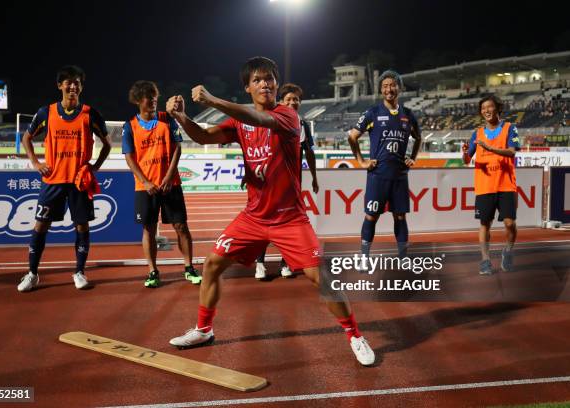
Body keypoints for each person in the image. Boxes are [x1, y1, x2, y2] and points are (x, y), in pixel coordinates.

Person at [165, 56, 374, 365]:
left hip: (289, 218)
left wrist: (210, 99)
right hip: (253, 217)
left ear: (276, 84)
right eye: (258, 80)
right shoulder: (238, 122)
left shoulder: (288, 115)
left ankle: (355, 335)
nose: (265, 83)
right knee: (211, 265)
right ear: (248, 88)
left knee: (322, 277)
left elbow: (259, 120)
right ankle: (204, 329)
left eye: (269, 79)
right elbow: (204, 136)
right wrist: (182, 118)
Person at [17, 65, 112, 292]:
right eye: (68, 82)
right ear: (60, 86)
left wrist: (94, 167)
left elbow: (107, 144)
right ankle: (32, 274)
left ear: (81, 87)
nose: (72, 86)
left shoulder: (91, 114)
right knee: (40, 226)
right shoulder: (46, 112)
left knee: (81, 226)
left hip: (79, 182)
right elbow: (26, 138)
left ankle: (79, 272)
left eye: (77, 82)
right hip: (53, 181)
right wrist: (36, 163)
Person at [122, 80, 201, 288]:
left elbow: (177, 148)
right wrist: (146, 181)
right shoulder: (130, 126)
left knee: (181, 226)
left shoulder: (167, 119)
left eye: (155, 95)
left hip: (170, 184)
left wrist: (168, 177)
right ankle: (153, 271)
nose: (154, 99)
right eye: (149, 96)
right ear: (139, 100)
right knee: (148, 229)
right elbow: (129, 158)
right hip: (145, 188)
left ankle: (189, 267)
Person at [348, 70, 421, 261]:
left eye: (392, 85)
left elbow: (418, 137)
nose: (389, 89)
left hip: (400, 177)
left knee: (400, 217)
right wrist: (361, 161)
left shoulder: (408, 115)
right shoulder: (372, 113)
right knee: (371, 217)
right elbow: (352, 136)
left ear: (399, 88)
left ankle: (403, 257)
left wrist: (412, 157)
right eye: (385, 86)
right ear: (381, 90)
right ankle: (364, 258)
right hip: (377, 176)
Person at [254, 82, 319, 280]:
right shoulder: (270, 119)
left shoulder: (303, 124)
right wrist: (250, 173)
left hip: (291, 184)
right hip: (268, 182)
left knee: (288, 224)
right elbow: (256, 148)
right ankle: (259, 263)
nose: (293, 102)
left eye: (296, 99)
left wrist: (315, 177)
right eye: (288, 99)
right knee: (265, 222)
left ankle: (286, 263)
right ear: (281, 101)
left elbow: (309, 152)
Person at [462, 95, 520, 275]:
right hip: (484, 186)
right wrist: (464, 153)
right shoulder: (477, 133)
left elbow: (512, 152)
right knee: (484, 224)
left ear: (497, 109)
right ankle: (485, 260)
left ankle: (508, 252)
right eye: (483, 108)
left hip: (506, 185)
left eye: (490, 107)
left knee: (510, 224)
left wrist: (489, 148)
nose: (486, 110)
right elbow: (466, 160)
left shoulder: (510, 128)